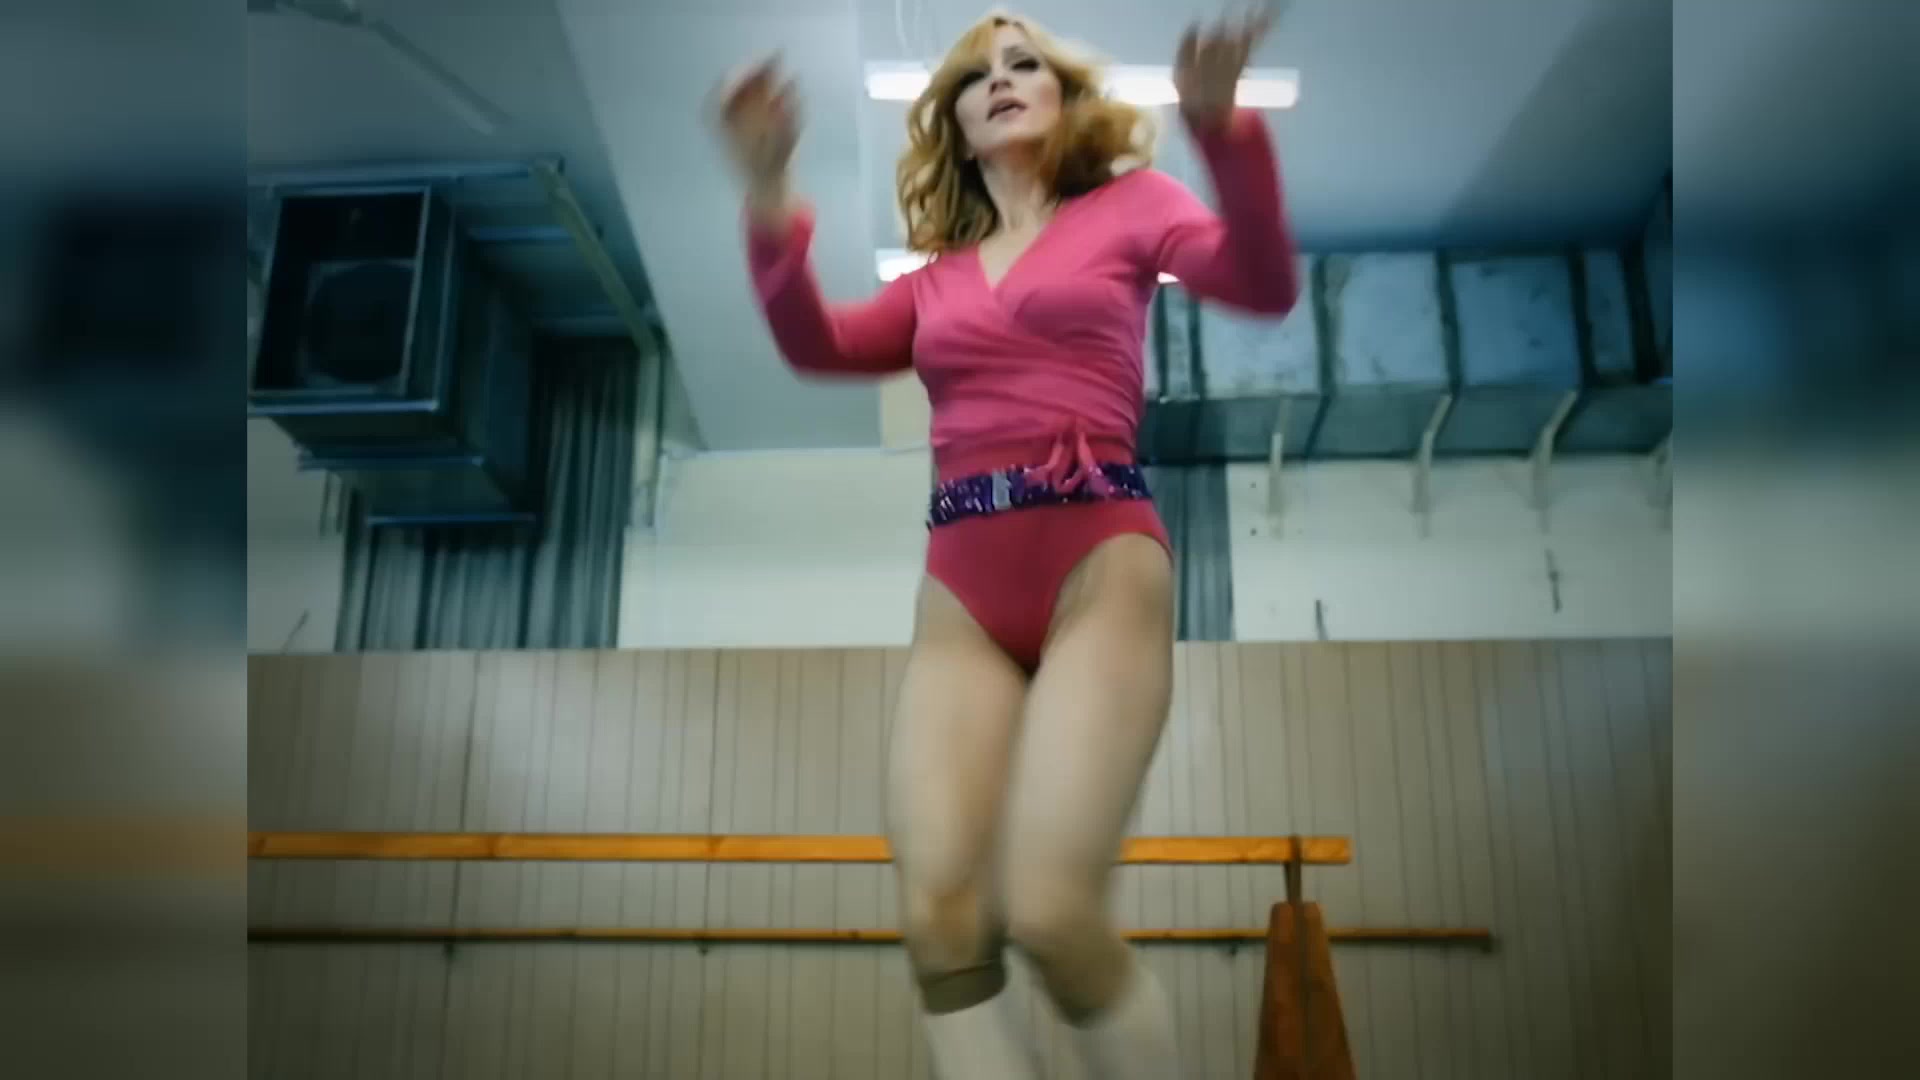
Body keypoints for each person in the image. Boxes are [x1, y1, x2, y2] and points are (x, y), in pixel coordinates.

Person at [717, 7, 1298, 1077]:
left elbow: (1263, 285)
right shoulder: (935, 282)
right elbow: (815, 343)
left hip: (1098, 560)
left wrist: (1225, 131)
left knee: (1050, 909)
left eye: (1025, 63)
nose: (1001, 80)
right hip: (963, 588)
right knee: (939, 917)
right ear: (955, 124)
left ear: (1064, 98)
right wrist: (766, 189)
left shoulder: (1133, 208)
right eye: (975, 76)